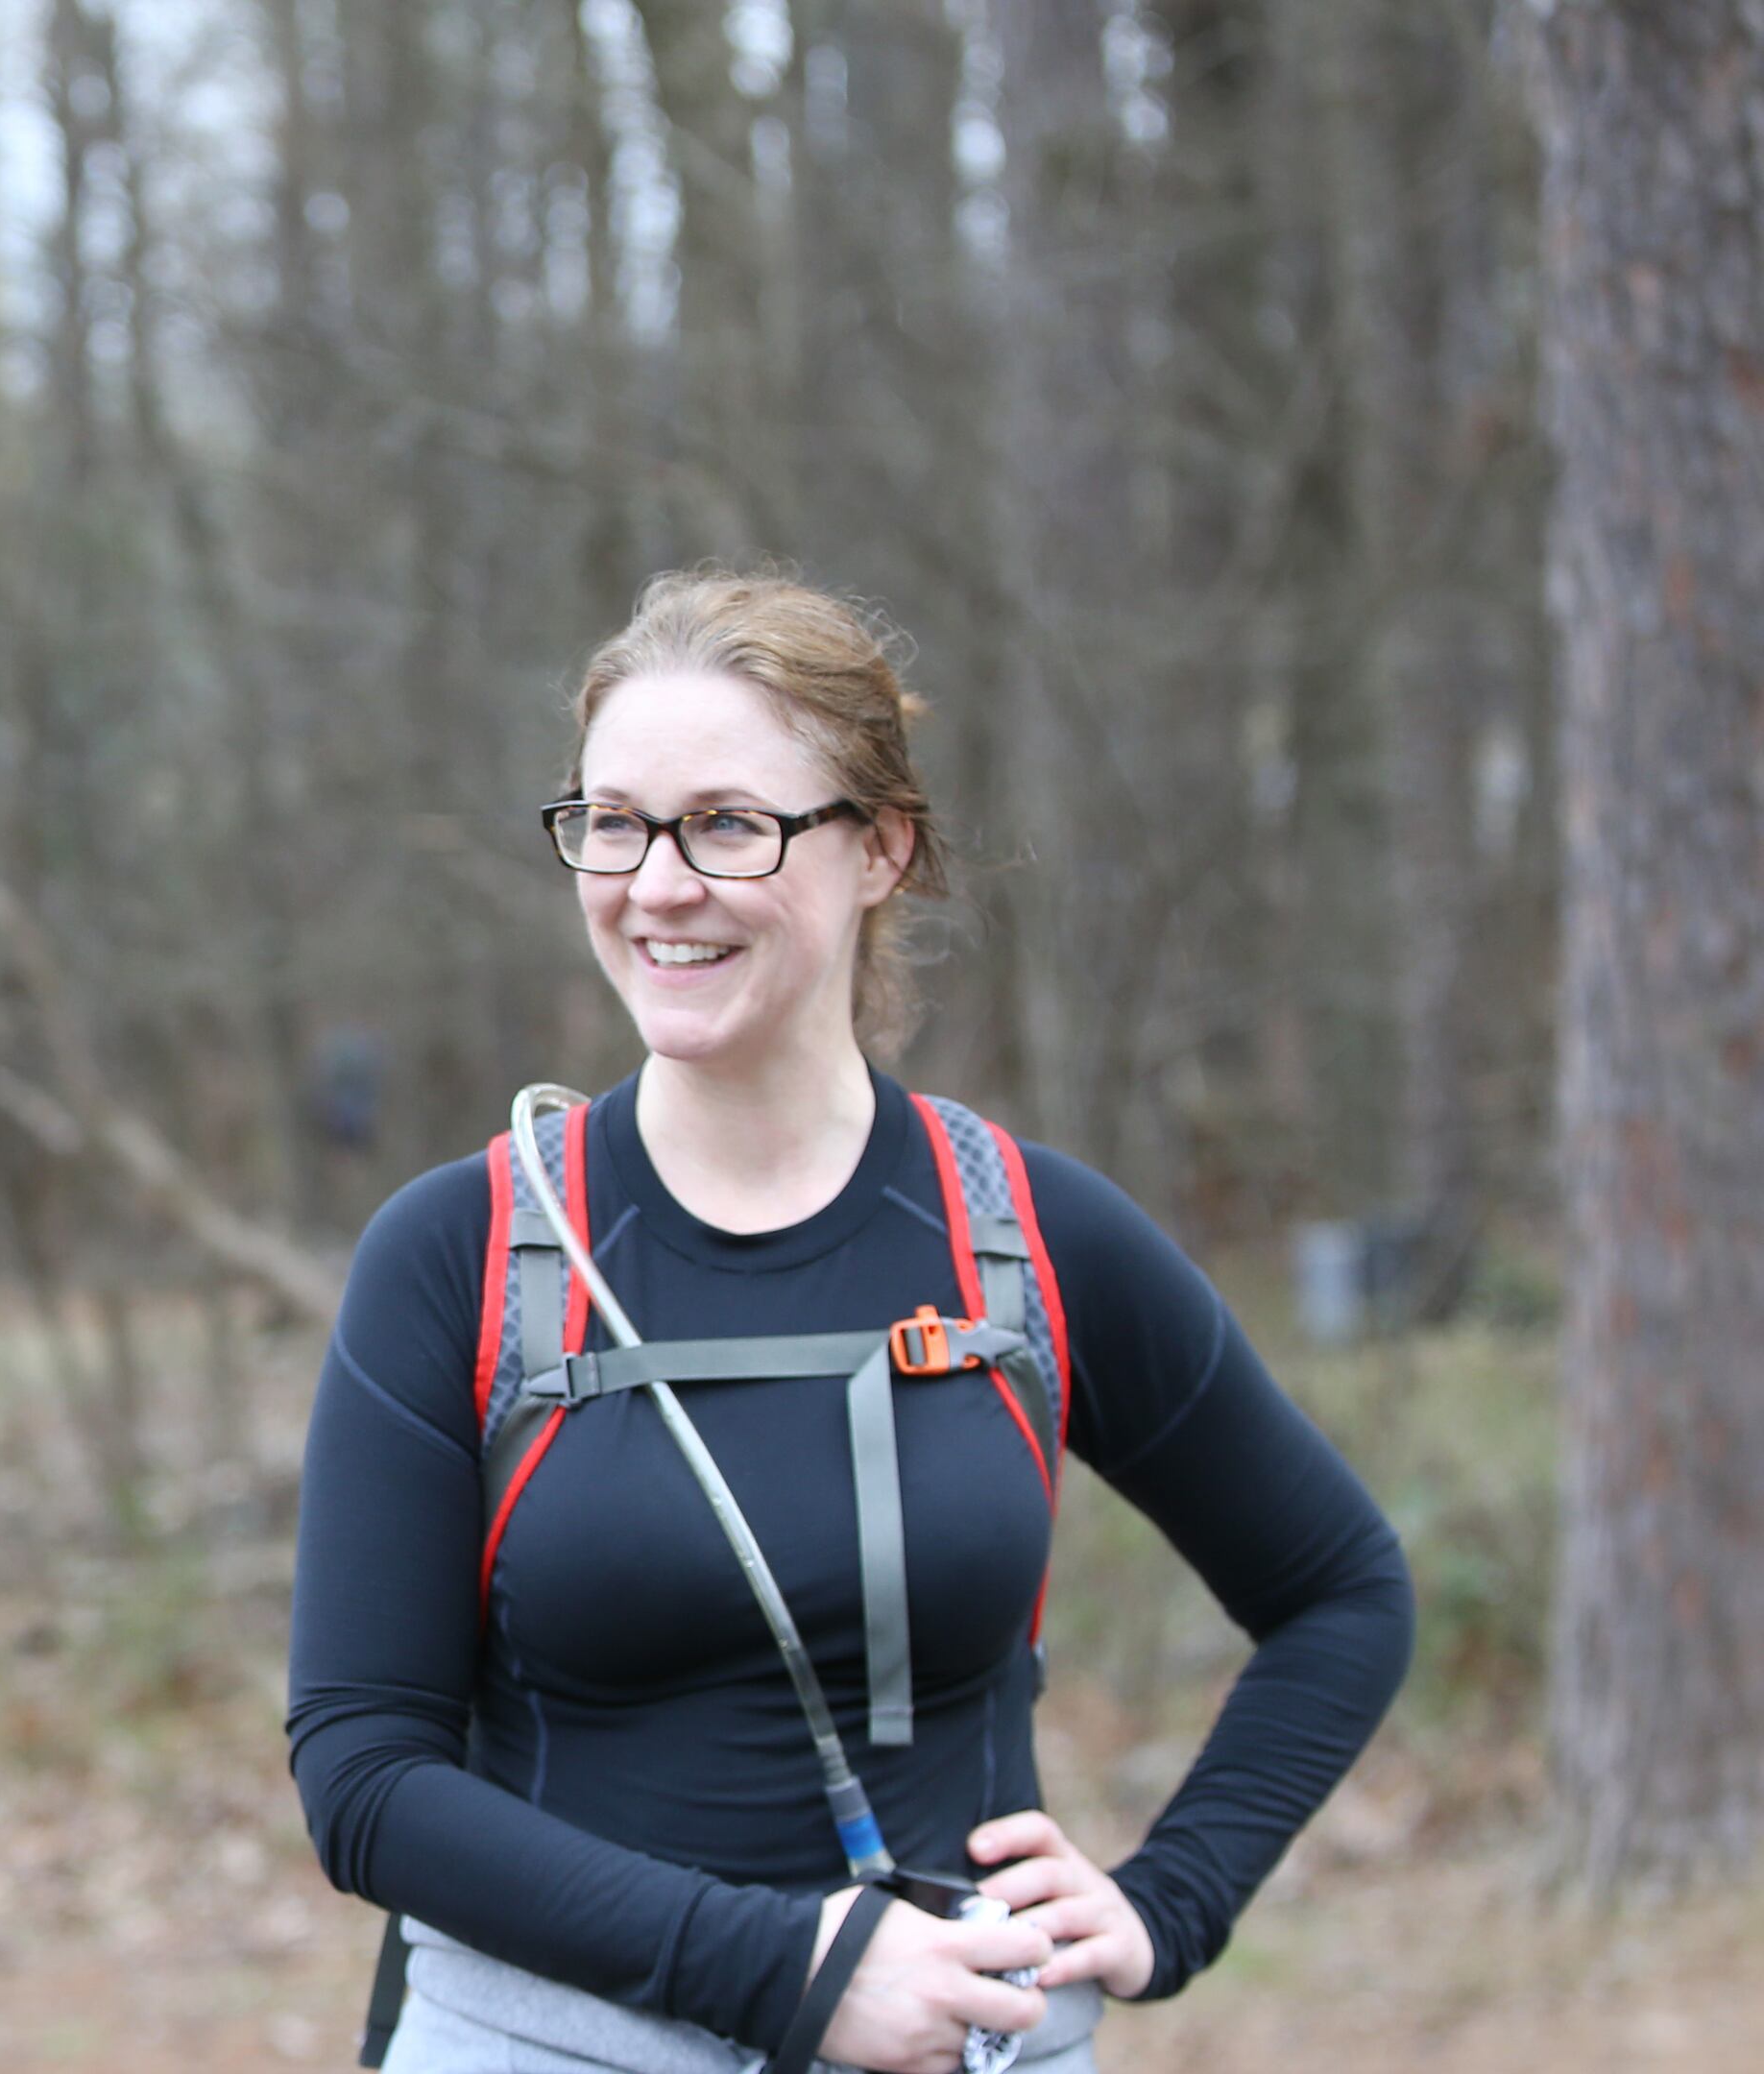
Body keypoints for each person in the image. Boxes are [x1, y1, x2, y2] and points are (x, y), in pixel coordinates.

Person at [285, 571, 1414, 2074]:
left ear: (881, 848)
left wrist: (1170, 1904)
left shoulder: (1027, 1236)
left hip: (967, 2044)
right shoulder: (465, 1251)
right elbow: (363, 1777)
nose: (656, 883)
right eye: (611, 823)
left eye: (728, 824)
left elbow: (1341, 1588)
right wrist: (787, 1972)